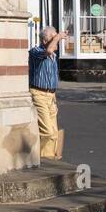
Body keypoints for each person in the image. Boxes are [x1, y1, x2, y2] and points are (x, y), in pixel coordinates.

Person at [28, 26, 66, 160]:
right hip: (39, 94)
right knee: (47, 132)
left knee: (54, 133)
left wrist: (54, 95)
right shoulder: (36, 52)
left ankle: (48, 158)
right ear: (45, 40)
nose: (57, 42)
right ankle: (37, 157)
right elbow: (49, 50)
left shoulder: (53, 56)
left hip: (51, 95)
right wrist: (58, 36)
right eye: (53, 38)